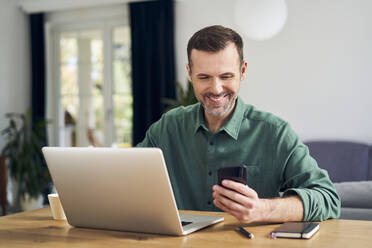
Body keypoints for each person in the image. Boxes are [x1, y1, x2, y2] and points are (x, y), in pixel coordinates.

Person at [137, 25, 340, 223]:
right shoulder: (167, 127)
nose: (216, 89)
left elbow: (328, 198)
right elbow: (129, 180)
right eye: (204, 77)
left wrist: (263, 209)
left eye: (226, 76)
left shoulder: (274, 133)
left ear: (242, 71)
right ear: (189, 73)